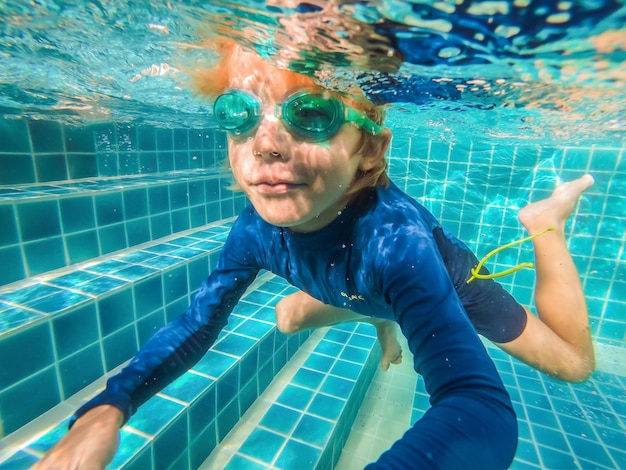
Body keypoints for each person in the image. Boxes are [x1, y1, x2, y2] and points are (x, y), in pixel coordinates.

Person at [34, 39, 595, 469]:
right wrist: (113, 403)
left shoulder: (398, 246)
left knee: (574, 364)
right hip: (367, 283)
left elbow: (479, 407)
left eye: (311, 115)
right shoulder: (252, 230)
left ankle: (544, 224)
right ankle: (384, 309)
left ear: (368, 149)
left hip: (445, 281)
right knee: (285, 317)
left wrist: (395, 305)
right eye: (240, 114)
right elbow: (198, 321)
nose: (267, 143)